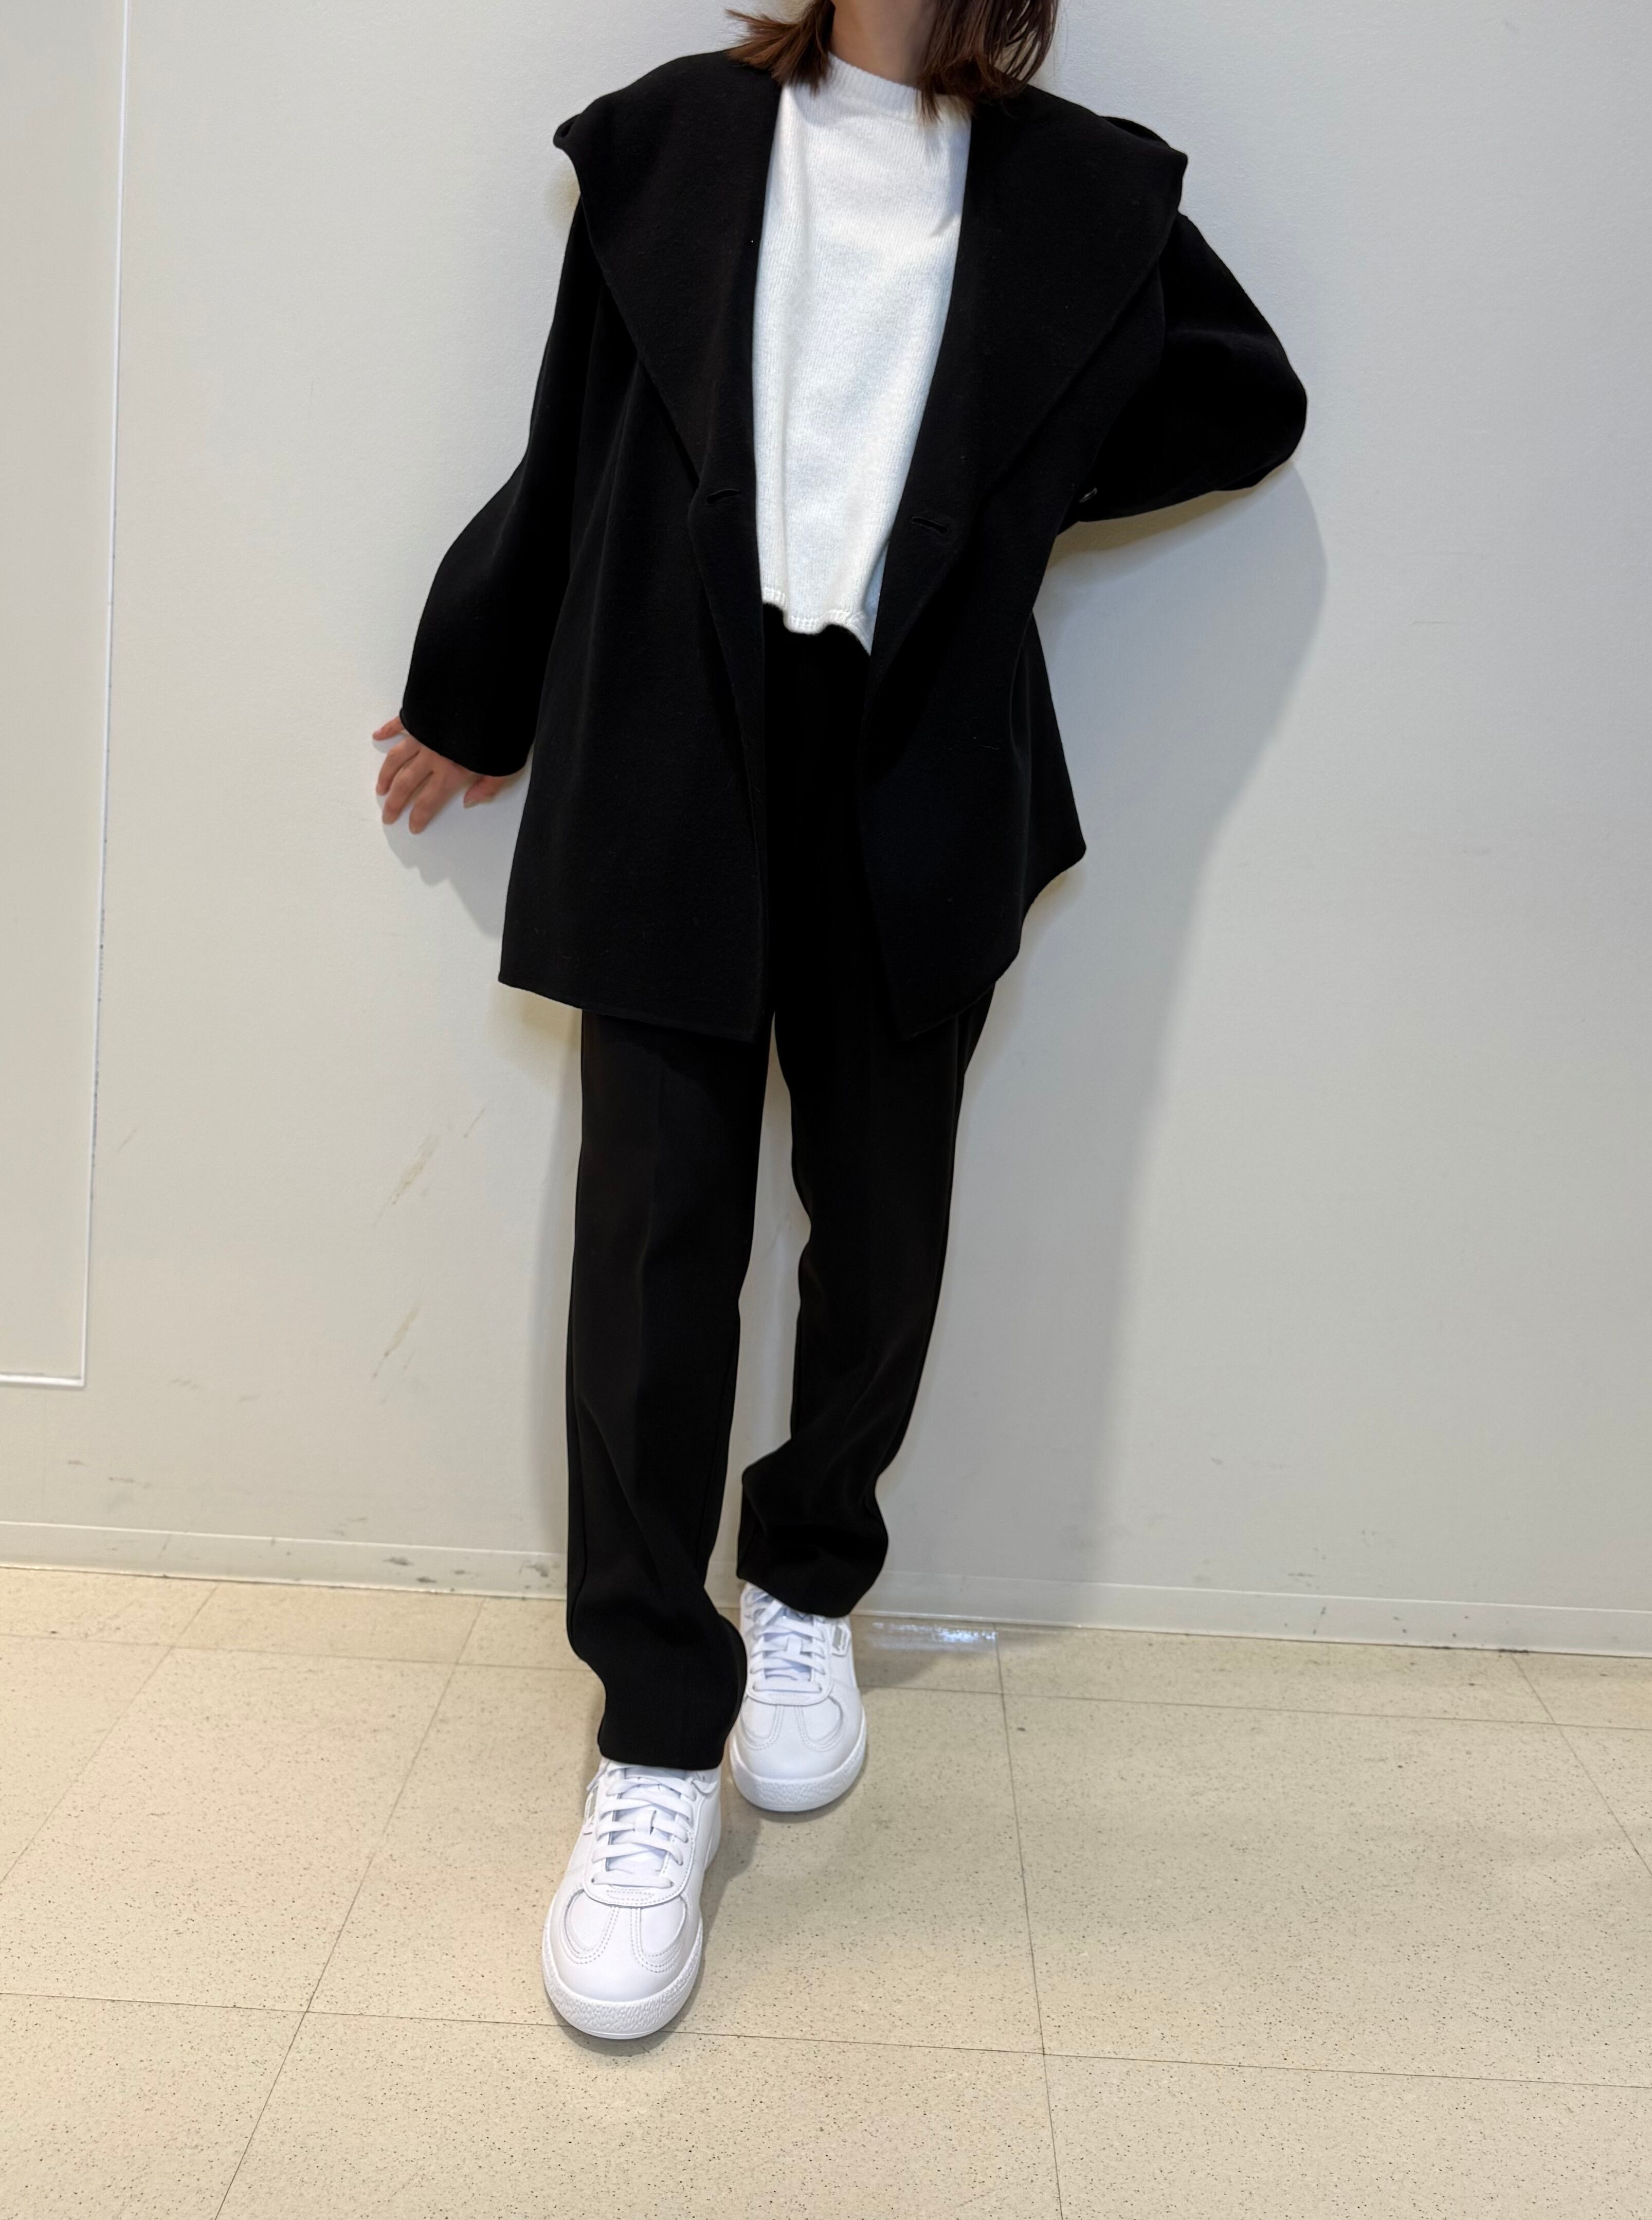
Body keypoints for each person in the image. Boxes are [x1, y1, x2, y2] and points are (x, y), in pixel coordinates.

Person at [374, 0, 1306, 2040]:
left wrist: (1012, 479)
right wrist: (473, 685)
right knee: (656, 1249)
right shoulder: (675, 143)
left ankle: (805, 1579)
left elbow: (1247, 401)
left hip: (916, 765)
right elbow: (577, 444)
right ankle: (653, 1736)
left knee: (883, 1226)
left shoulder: (1078, 190)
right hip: (677, 743)